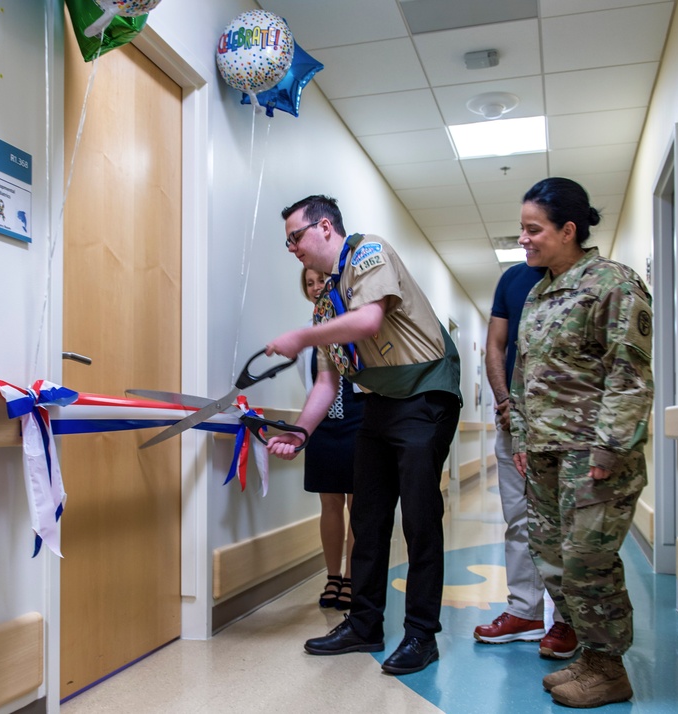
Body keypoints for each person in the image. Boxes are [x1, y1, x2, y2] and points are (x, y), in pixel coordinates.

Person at [265, 195, 462, 676]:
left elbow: (371, 319)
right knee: (368, 517)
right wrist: (299, 434)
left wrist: (299, 338)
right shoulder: (324, 305)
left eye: (296, 236)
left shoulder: (367, 251)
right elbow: (327, 382)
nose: (291, 247)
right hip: (379, 402)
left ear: (325, 227)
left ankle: (420, 635)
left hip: (423, 393)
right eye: (287, 240)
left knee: (418, 518)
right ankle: (364, 624)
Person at [509, 178, 653, 708]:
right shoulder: (539, 293)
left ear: (569, 230)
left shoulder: (613, 283)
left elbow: (629, 375)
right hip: (545, 455)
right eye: (522, 229)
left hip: (592, 454)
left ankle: (610, 669)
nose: (523, 238)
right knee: (551, 559)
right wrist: (522, 437)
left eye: (533, 229)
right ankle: (589, 658)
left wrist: (610, 448)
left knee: (588, 561)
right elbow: (524, 375)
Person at [473, 261, 578, 659]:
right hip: (514, 424)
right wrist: (505, 403)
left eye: (533, 228)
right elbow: (497, 346)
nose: (524, 238)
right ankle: (526, 612)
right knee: (519, 519)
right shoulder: (513, 280)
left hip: (568, 429)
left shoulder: (593, 280)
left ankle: (570, 618)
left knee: (568, 527)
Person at [297, 267, 364, 610]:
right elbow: (310, 387)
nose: (315, 287)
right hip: (324, 427)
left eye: (320, 280)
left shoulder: (355, 323)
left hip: (357, 420)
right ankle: (332, 577)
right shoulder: (310, 334)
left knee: (357, 504)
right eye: (309, 283)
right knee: (329, 504)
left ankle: (353, 577)